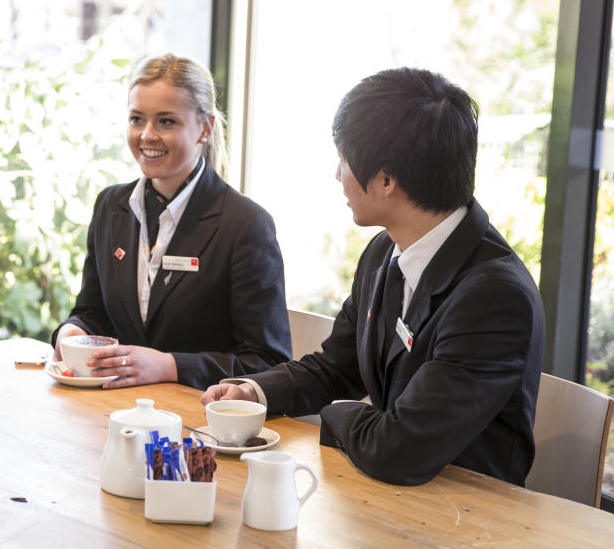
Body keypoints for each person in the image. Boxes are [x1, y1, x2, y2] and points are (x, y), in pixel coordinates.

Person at [202, 67, 545, 487]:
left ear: (386, 180)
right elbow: (336, 367)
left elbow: (398, 448)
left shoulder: (494, 298)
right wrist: (254, 393)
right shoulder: (386, 250)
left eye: (343, 160)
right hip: (385, 496)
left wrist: (334, 414)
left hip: (465, 521)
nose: (337, 175)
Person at [52, 53, 291, 389]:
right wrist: (73, 331)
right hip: (114, 410)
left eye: (166, 122)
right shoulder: (111, 206)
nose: (147, 135)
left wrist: (169, 366)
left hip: (199, 424)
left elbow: (267, 362)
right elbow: (94, 313)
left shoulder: (246, 225)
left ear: (204, 128)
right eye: (137, 119)